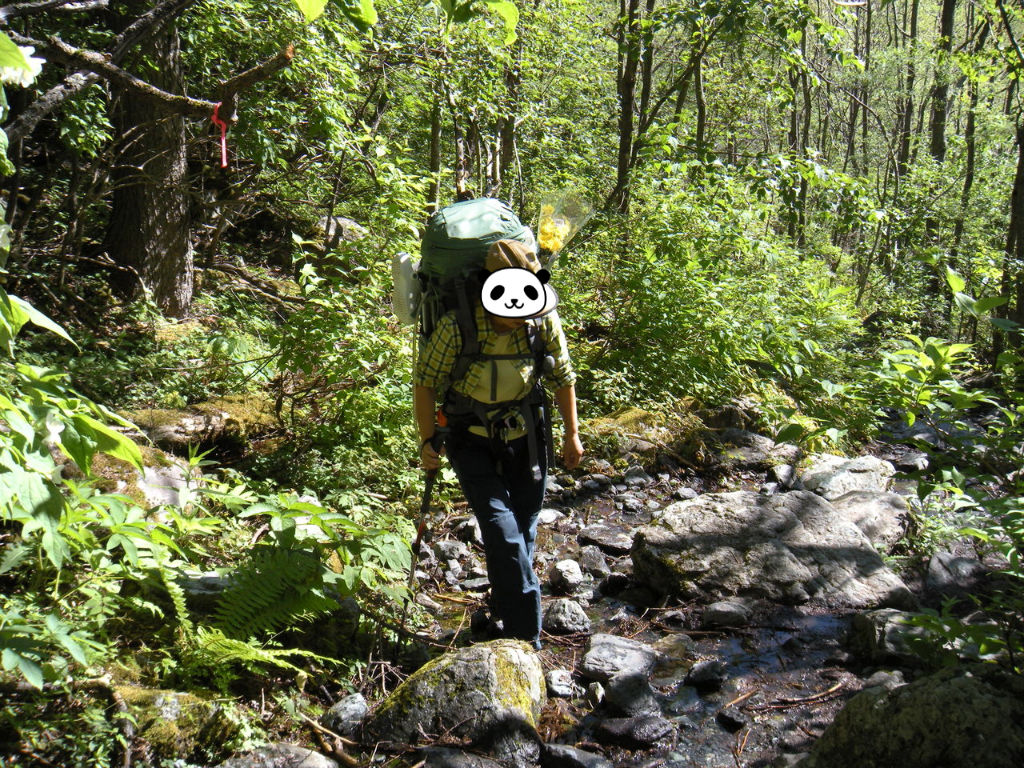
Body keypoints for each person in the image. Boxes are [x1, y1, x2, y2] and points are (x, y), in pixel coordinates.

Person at [412, 239, 583, 650]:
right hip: (469, 439)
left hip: (526, 435)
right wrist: (426, 440)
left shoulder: (542, 321)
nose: (519, 317)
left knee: (522, 528)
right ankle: (526, 643)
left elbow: (563, 376)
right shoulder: (459, 326)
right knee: (502, 531)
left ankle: (504, 611)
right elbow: (426, 382)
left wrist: (573, 434)